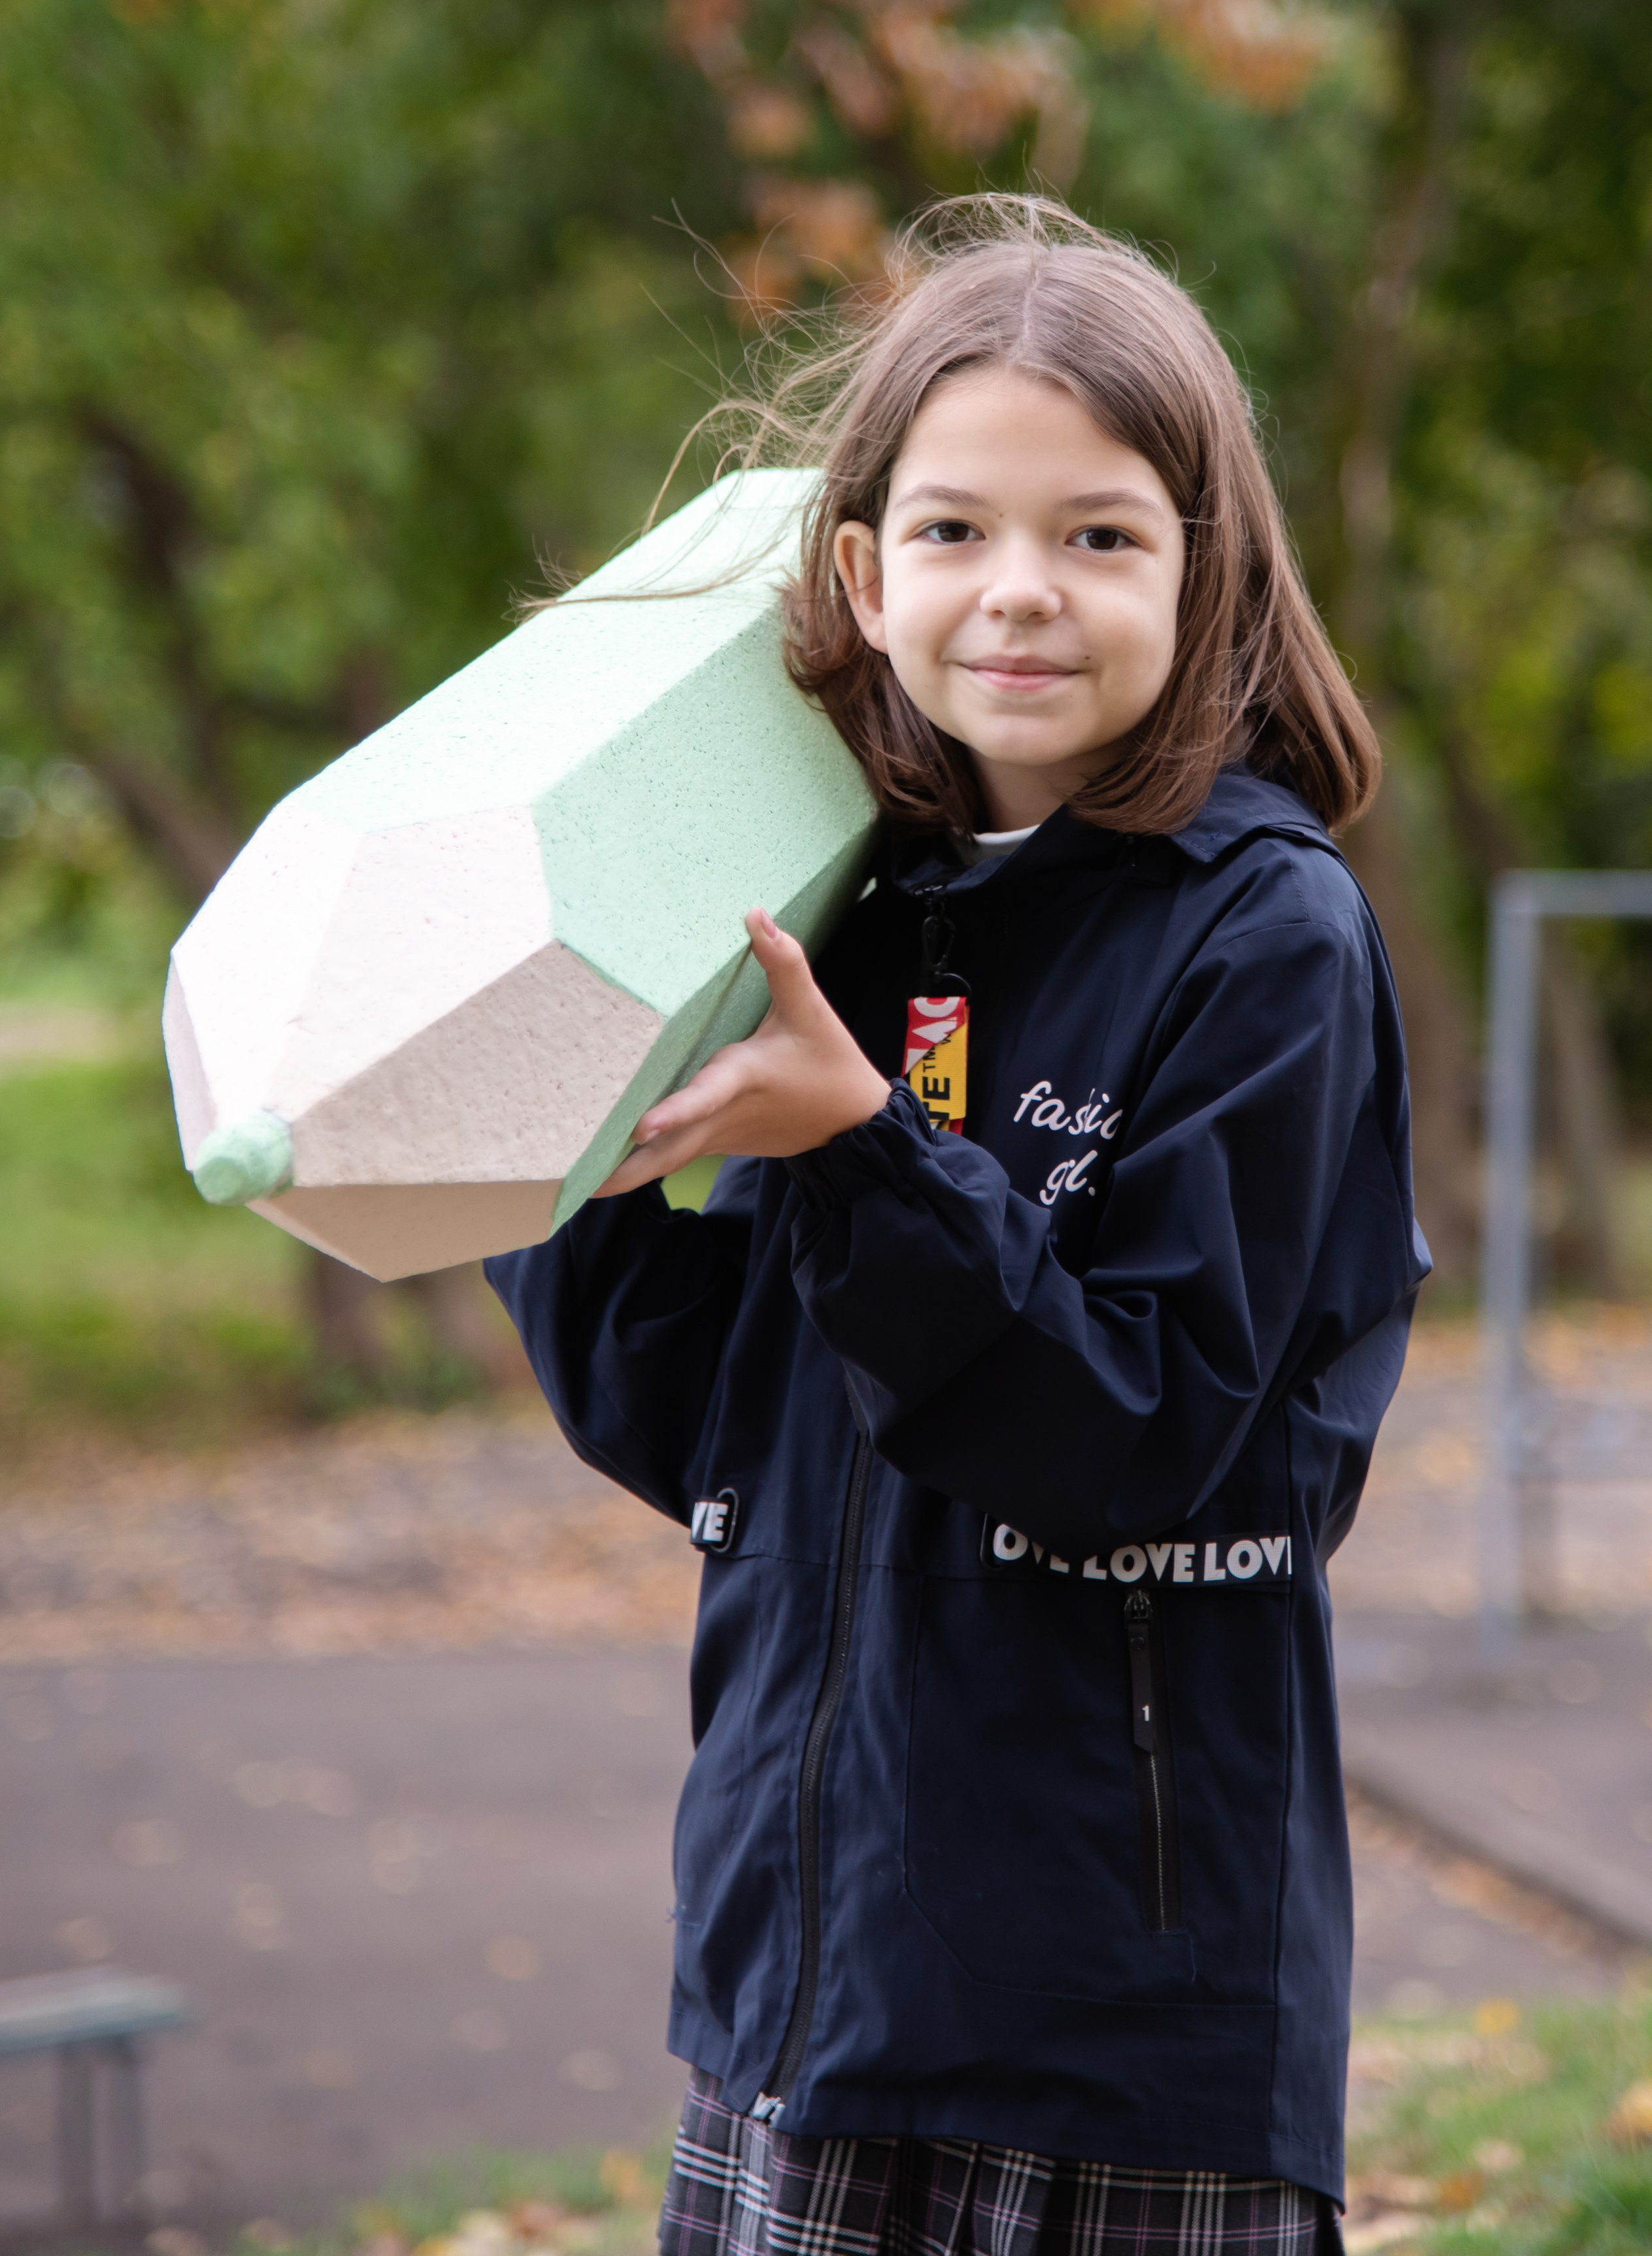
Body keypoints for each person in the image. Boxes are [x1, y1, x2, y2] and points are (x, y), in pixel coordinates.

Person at [486, 196, 1429, 2256]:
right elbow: (704, 1425)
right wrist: (529, 1132)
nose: (1021, 593)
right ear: (860, 569)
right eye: (952, 532)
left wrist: (862, 1152)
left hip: (1113, 2031)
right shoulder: (834, 917)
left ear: (1209, 567)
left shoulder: (1267, 939)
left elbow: (1136, 1436)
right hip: (797, 1997)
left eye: (1100, 534)